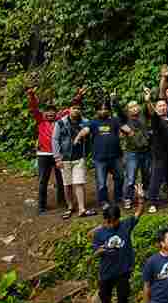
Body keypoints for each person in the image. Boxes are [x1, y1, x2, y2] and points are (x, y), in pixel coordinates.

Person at [92, 184, 145, 303]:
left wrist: (140, 197)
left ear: (117, 219)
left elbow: (139, 213)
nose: (109, 224)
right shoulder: (100, 233)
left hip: (122, 272)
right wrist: (100, 250)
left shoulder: (125, 225)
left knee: (122, 300)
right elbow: (95, 253)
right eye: (107, 221)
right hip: (106, 273)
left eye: (111, 222)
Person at [27, 86, 85, 214]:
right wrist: (32, 96)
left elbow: (71, 108)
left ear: (56, 112)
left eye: (52, 111)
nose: (50, 113)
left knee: (61, 180)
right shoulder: (40, 119)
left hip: (58, 154)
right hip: (43, 154)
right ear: (44, 113)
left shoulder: (60, 119)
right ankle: (41, 206)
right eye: (47, 111)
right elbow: (34, 108)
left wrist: (79, 96)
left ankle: (63, 202)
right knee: (43, 180)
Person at [52, 101, 94, 219]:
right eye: (74, 108)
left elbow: (90, 132)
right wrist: (57, 158)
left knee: (79, 183)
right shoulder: (60, 123)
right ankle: (70, 207)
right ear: (69, 109)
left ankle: (82, 208)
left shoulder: (85, 122)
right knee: (67, 184)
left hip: (79, 157)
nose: (76, 110)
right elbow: (55, 140)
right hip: (64, 158)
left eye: (78, 108)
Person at [113, 94, 151, 210]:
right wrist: (114, 99)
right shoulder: (126, 118)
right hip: (132, 152)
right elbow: (119, 111)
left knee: (146, 175)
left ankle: (146, 194)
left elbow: (148, 108)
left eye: (136, 106)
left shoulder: (143, 116)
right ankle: (127, 198)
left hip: (145, 150)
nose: (134, 108)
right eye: (131, 107)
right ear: (128, 110)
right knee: (131, 177)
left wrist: (147, 99)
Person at [145, 90, 168, 213]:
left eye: (164, 105)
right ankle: (152, 202)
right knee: (156, 177)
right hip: (159, 154)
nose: (163, 107)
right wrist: (148, 101)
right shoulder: (156, 120)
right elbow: (152, 114)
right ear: (157, 108)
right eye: (160, 106)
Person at [89, 99, 124, 210]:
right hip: (100, 158)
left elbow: (123, 127)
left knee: (120, 177)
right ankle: (103, 201)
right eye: (100, 109)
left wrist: (129, 133)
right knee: (101, 182)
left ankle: (118, 197)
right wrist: (79, 135)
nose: (103, 111)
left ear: (109, 110)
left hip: (116, 156)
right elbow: (85, 130)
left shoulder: (114, 120)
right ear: (96, 111)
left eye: (105, 109)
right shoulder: (93, 123)